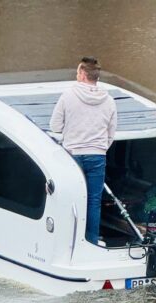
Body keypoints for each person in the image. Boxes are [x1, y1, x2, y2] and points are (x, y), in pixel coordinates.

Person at [50, 57, 117, 244]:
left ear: (82, 74)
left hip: (73, 155)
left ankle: (70, 240)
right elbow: (111, 132)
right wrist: (100, 147)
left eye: (78, 72)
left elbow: (55, 126)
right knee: (94, 201)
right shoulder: (109, 100)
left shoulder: (68, 96)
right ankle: (92, 240)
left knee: (71, 199)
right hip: (98, 155)